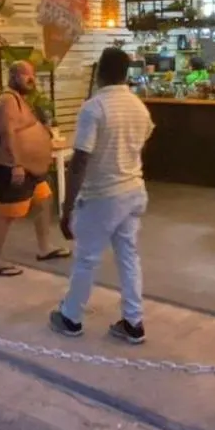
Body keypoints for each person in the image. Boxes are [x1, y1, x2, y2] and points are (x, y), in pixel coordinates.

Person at [51, 47, 154, 344]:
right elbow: (141, 144)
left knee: (87, 259)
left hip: (103, 196)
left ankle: (70, 317)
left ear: (100, 73)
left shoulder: (94, 108)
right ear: (125, 74)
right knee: (129, 257)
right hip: (134, 191)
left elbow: (80, 160)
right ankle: (133, 323)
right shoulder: (139, 107)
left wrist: (67, 207)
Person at [0, 60, 68, 276]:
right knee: (8, 213)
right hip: (14, 166)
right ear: (13, 76)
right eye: (25, 74)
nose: (30, 78)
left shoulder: (22, 100)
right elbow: (8, 134)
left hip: (33, 169)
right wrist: (17, 164)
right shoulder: (7, 100)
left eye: (32, 74)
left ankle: (44, 248)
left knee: (43, 200)